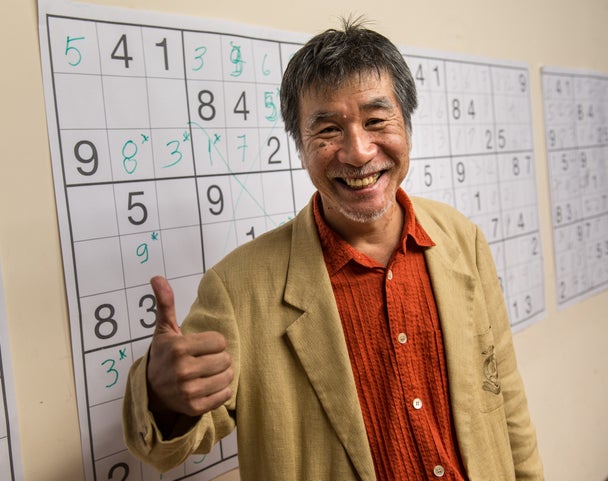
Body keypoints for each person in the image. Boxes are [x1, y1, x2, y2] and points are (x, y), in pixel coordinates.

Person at [122, 17, 544, 481]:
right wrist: (161, 399)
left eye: (376, 120)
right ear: (300, 147)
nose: (359, 151)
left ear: (407, 125)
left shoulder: (462, 238)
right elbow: (175, 445)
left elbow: (505, 398)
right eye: (328, 130)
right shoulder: (237, 288)